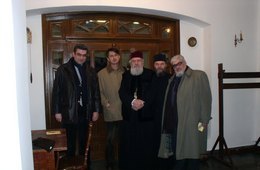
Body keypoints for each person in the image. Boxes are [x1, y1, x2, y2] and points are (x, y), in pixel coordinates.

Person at [158, 54, 212, 170]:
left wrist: (204, 121)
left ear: (184, 62)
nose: (177, 67)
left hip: (192, 123)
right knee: (177, 153)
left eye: (179, 63)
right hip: (173, 123)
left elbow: (206, 100)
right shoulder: (172, 79)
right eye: (174, 65)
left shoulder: (199, 76)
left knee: (192, 154)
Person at [52, 44, 101, 168]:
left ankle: (85, 166)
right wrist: (57, 111)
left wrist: (96, 110)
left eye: (84, 55)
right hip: (69, 111)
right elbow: (56, 91)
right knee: (70, 143)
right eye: (79, 54)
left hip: (86, 112)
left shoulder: (90, 70)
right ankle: (70, 166)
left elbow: (96, 92)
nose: (81, 58)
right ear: (73, 54)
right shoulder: (63, 70)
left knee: (85, 143)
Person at [118, 51, 154, 170]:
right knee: (130, 144)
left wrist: (142, 101)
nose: (136, 63)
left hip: (146, 116)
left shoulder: (151, 74)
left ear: (143, 62)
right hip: (130, 115)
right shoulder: (126, 75)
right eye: (134, 61)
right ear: (130, 63)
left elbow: (154, 92)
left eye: (139, 61)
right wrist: (132, 102)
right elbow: (122, 92)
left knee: (145, 145)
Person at [98, 47, 125, 170]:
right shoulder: (101, 74)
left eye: (116, 55)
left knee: (124, 140)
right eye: (111, 56)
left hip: (125, 111)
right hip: (110, 111)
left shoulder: (125, 71)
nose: (114, 57)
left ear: (119, 57)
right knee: (110, 140)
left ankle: (123, 162)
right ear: (108, 59)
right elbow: (99, 92)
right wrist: (106, 103)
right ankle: (110, 163)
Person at [147, 54, 172, 170]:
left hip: (167, 116)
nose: (159, 66)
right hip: (152, 118)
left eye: (162, 64)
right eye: (157, 64)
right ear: (154, 65)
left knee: (167, 142)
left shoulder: (172, 78)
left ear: (166, 65)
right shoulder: (149, 78)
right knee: (153, 143)